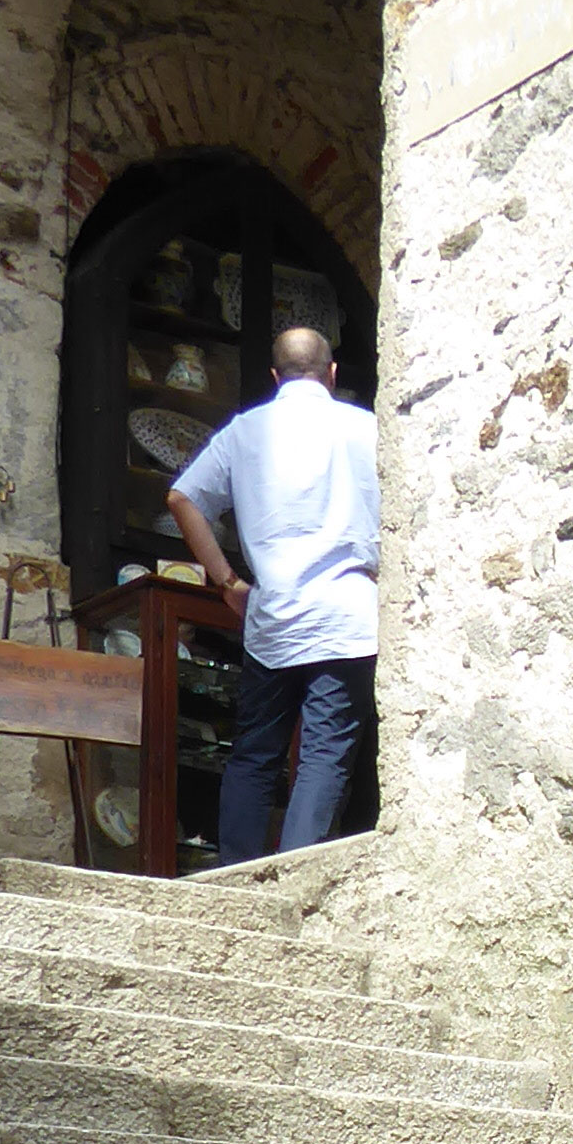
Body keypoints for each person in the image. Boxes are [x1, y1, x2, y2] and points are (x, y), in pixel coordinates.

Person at [165, 328, 379, 868]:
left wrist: (226, 581)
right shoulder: (368, 429)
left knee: (254, 755)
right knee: (324, 754)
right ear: (332, 374)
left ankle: (234, 870)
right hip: (348, 619)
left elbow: (182, 497)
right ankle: (293, 875)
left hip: (274, 620)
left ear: (275, 376)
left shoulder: (245, 431)